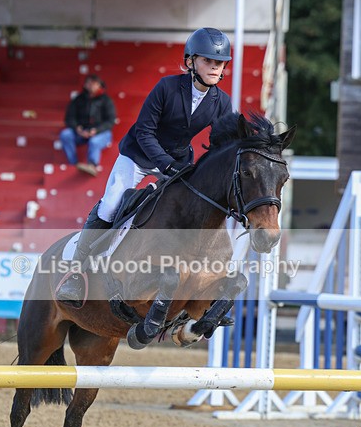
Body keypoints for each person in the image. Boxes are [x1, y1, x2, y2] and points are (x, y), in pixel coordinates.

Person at [56, 27, 233, 305]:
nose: (214, 67)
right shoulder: (167, 87)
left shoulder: (221, 102)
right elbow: (144, 132)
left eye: (219, 63)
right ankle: (76, 273)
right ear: (190, 61)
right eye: (208, 60)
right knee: (111, 204)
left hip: (178, 161)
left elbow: (222, 143)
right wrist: (166, 165)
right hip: (139, 155)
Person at [59, 74, 117, 176]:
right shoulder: (78, 100)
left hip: (101, 133)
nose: (91, 85)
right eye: (89, 83)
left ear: (99, 85)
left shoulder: (106, 100)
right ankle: (74, 164)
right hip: (81, 133)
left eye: (94, 83)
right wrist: (77, 128)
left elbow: (110, 121)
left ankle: (92, 166)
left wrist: (96, 130)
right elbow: (69, 118)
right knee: (65, 134)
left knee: (94, 141)